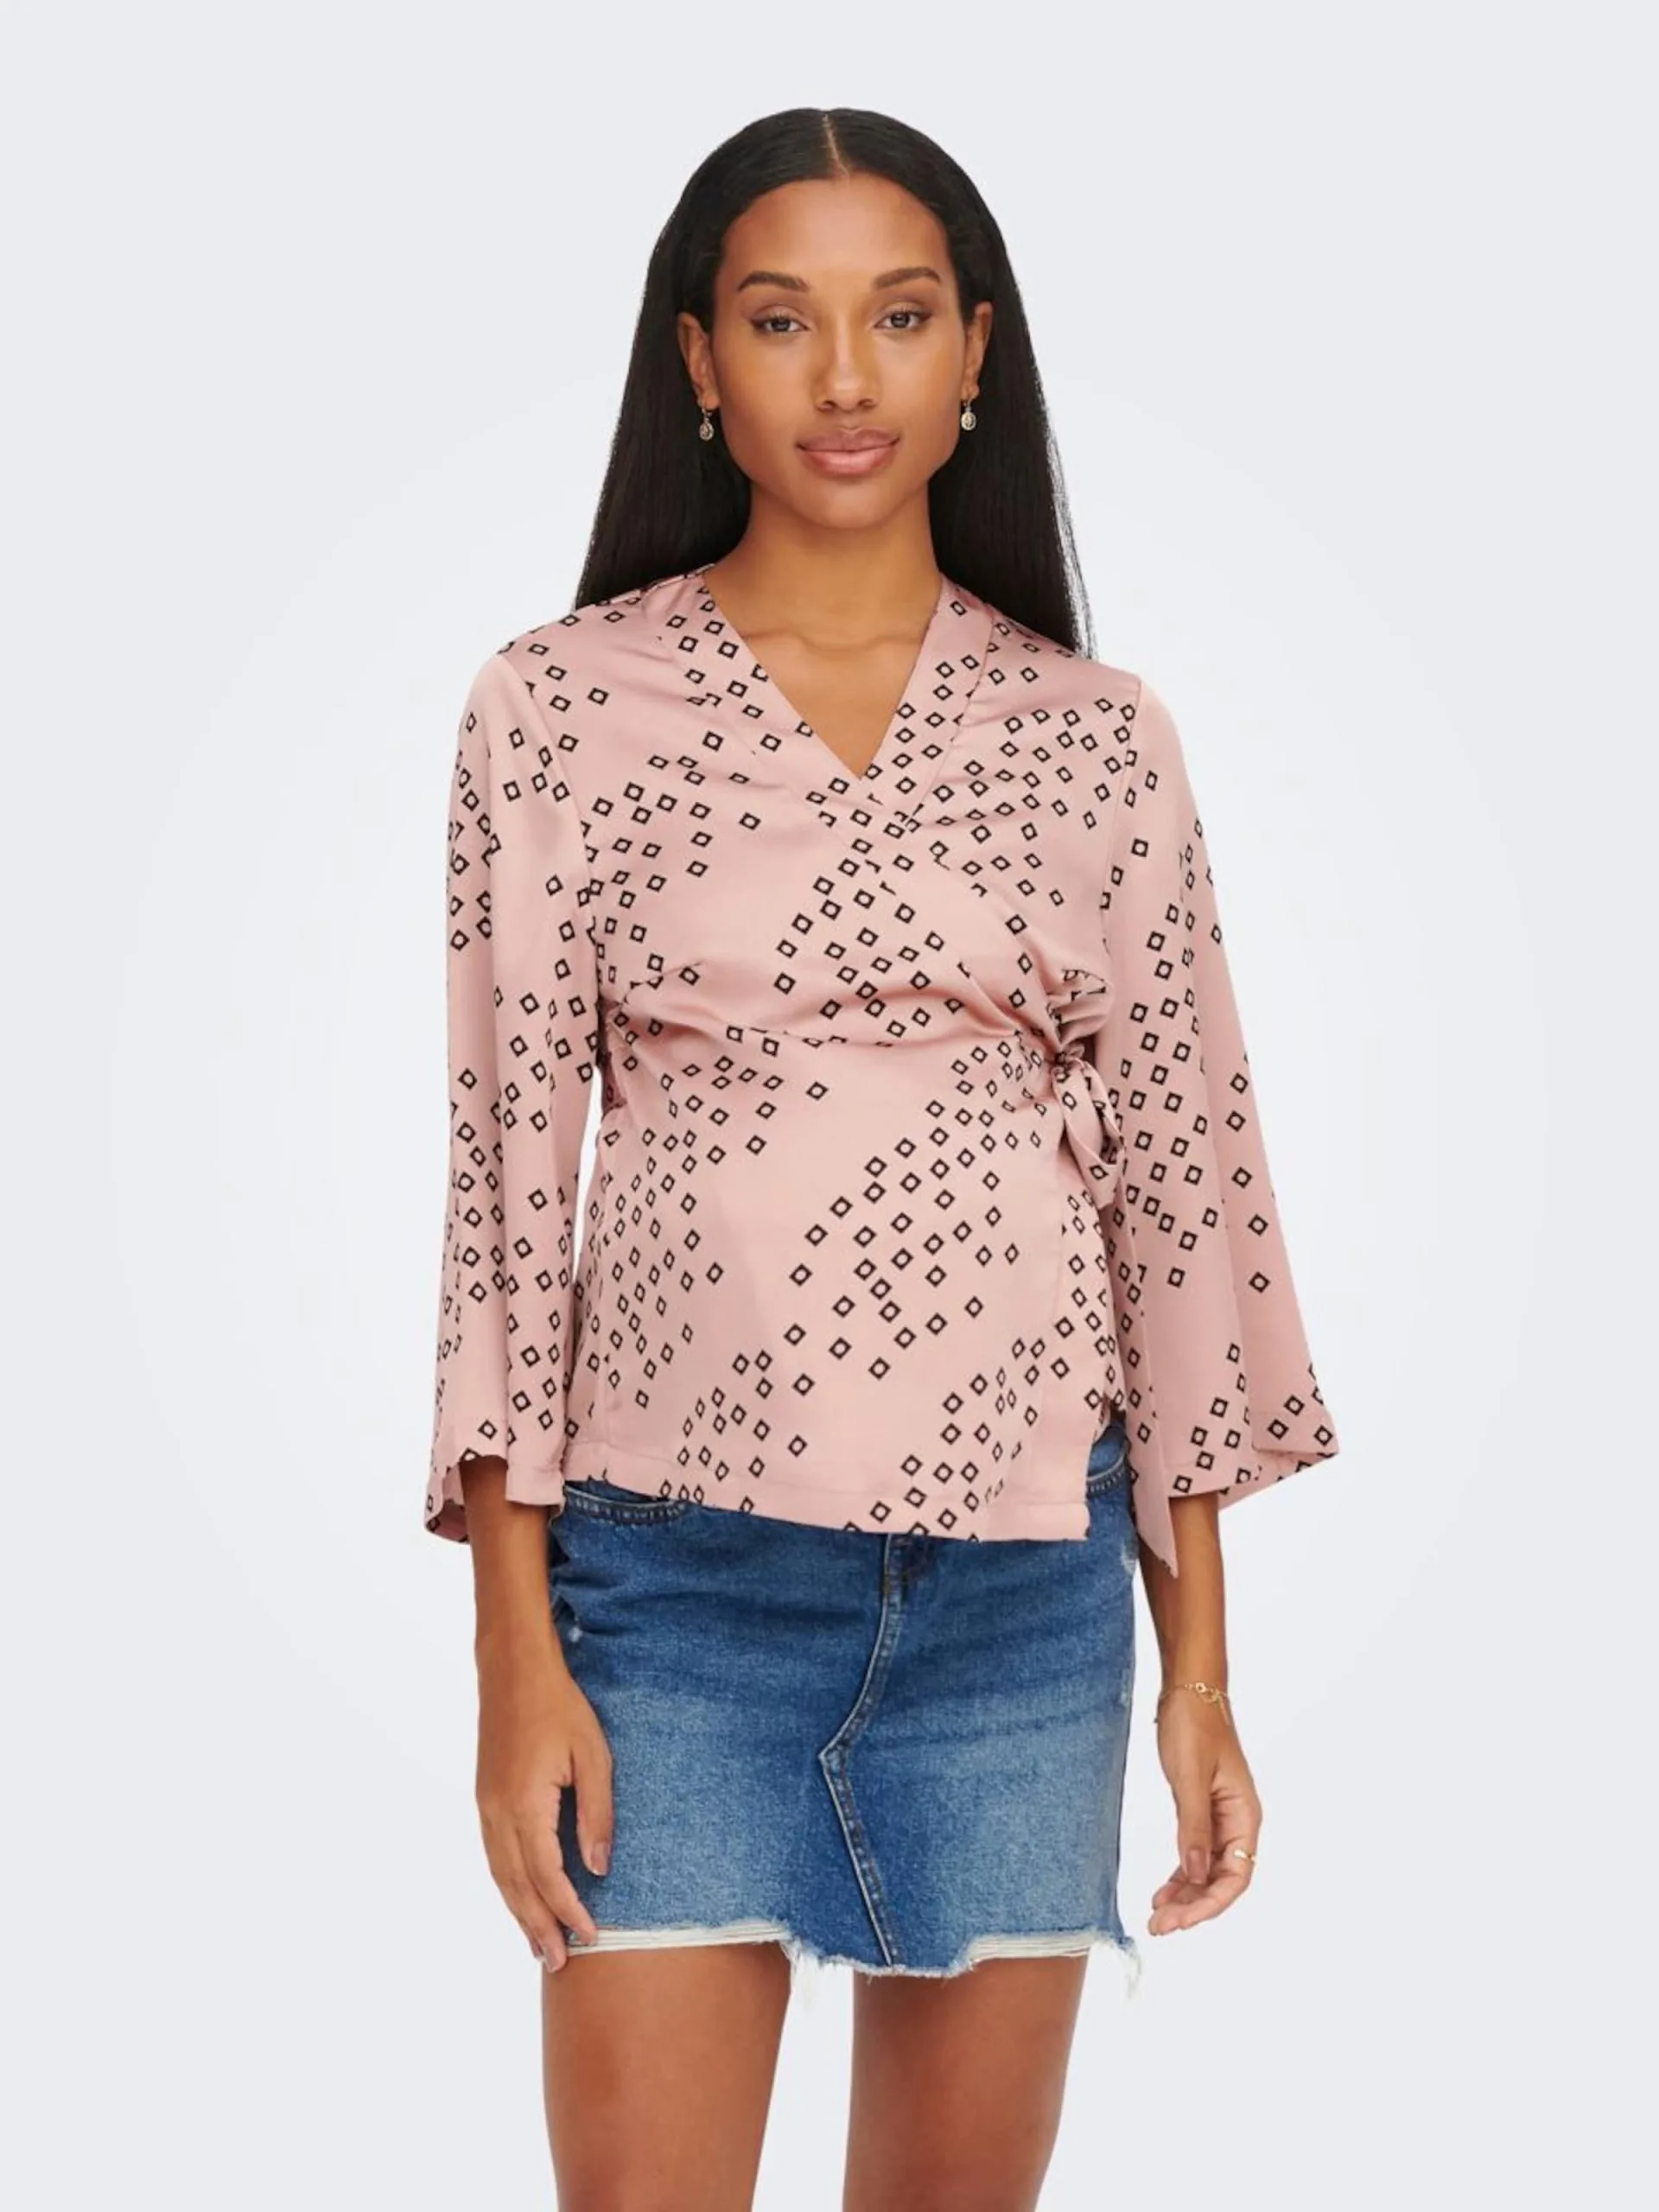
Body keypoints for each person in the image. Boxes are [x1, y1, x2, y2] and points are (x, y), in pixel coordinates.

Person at [423, 105, 1340, 2210]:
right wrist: (512, 1656)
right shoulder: (555, 710)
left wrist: (1201, 1674)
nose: (845, 376)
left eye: (900, 316)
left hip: (1022, 1604)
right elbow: (502, 1202)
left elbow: (1183, 1205)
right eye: (782, 319)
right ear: (698, 361)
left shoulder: (1096, 733)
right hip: (671, 1589)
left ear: (976, 353)